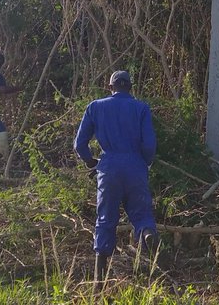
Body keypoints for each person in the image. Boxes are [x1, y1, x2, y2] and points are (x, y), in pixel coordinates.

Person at [74, 70, 159, 287]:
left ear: (110, 87)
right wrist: (144, 163)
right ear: (130, 87)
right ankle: (147, 235)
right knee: (142, 215)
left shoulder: (95, 106)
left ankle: (98, 284)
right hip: (135, 166)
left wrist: (90, 162)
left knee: (105, 220)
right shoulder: (141, 108)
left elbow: (79, 144)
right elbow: (149, 145)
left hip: (108, 168)